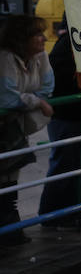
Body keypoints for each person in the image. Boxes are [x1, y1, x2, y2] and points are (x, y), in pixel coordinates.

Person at [38, 29, 81, 231]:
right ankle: (53, 215)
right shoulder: (67, 44)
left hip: (78, 114)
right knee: (65, 164)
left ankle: (72, 213)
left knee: (75, 165)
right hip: (66, 115)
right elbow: (59, 78)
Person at [0, 15, 53, 246]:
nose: (43, 39)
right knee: (5, 178)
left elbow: (48, 85)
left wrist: (32, 100)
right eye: (37, 35)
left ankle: (11, 231)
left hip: (15, 127)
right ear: (22, 39)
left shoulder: (39, 56)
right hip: (6, 126)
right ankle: (9, 231)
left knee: (12, 177)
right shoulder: (5, 58)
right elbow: (8, 97)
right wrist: (37, 102)